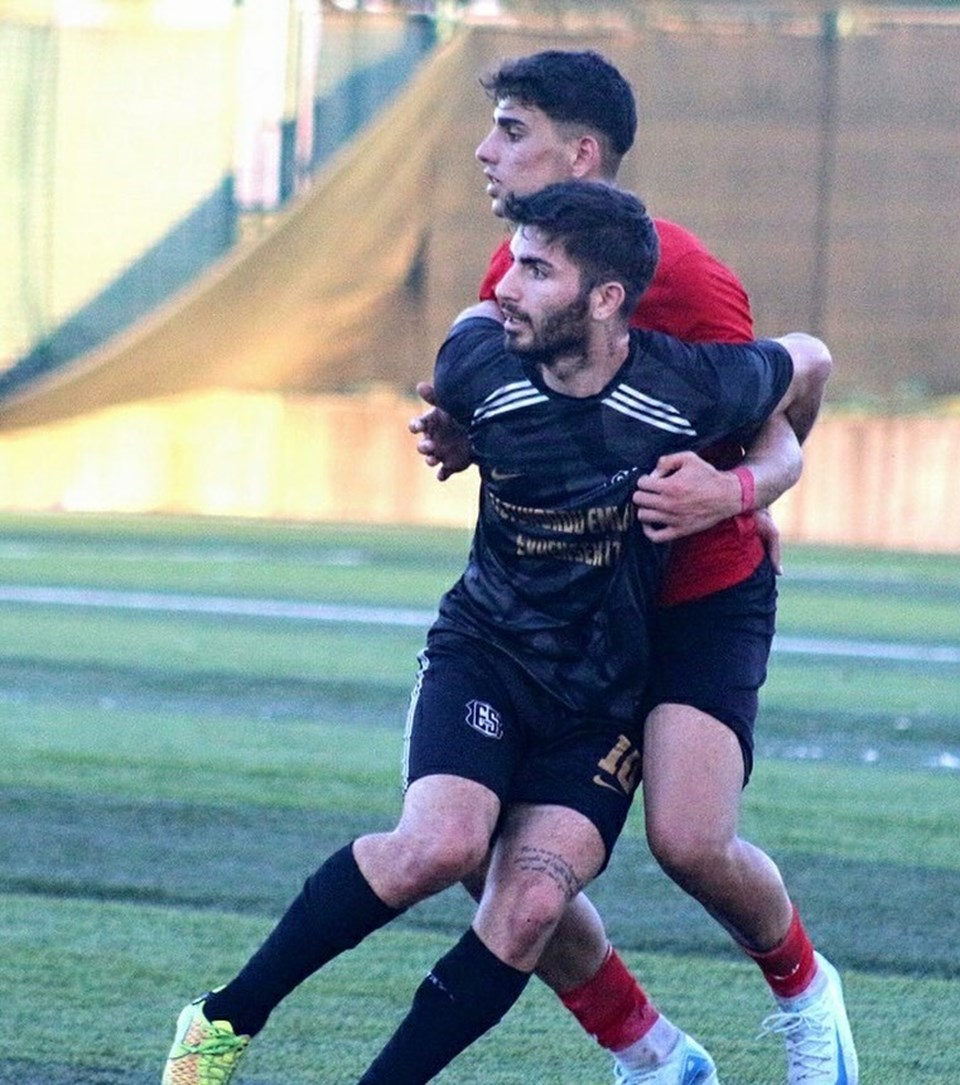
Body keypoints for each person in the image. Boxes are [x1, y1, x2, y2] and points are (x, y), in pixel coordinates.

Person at [162, 179, 828, 1085]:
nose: (504, 287)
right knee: (439, 845)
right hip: (486, 657)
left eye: (536, 271)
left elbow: (810, 364)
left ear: (606, 298)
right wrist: (455, 429)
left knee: (529, 907)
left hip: (601, 702)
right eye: (513, 261)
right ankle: (222, 1019)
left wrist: (746, 493)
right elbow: (460, 372)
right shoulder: (478, 360)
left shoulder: (690, 383)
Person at [410, 50, 858, 1085]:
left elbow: (787, 399)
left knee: (691, 841)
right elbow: (519, 400)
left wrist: (740, 493)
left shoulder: (682, 276)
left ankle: (807, 991)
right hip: (568, 616)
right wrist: (465, 433)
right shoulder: (518, 267)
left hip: (695, 596)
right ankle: (653, 1054)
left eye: (511, 129)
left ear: (581, 154)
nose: (485, 150)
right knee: (486, 847)